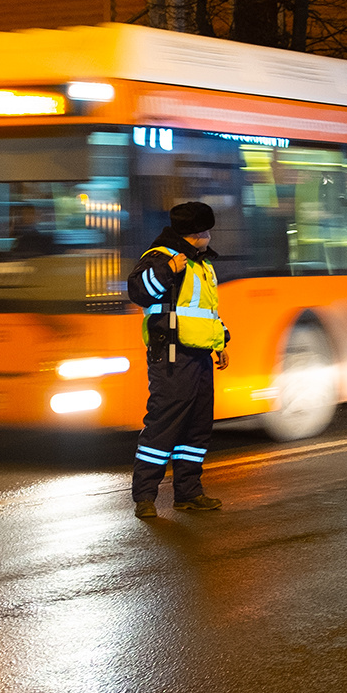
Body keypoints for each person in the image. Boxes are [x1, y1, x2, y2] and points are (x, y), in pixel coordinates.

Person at [126, 201, 230, 518]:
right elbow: (137, 291)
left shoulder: (201, 265)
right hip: (170, 354)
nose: (209, 237)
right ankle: (144, 497)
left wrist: (221, 340)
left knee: (196, 430)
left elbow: (206, 312)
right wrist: (167, 271)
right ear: (193, 233)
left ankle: (188, 493)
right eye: (205, 232)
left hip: (198, 355)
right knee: (163, 427)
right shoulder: (161, 258)